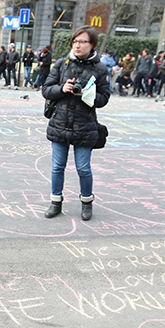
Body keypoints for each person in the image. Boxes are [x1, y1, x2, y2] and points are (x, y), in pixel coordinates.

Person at [42, 26, 111, 221]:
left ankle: (87, 203)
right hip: (60, 123)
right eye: (75, 41)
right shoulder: (62, 65)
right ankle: (56, 202)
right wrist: (62, 88)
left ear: (92, 45)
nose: (78, 45)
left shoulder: (100, 68)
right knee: (57, 167)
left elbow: (104, 98)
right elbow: (46, 89)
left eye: (83, 42)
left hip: (85, 125)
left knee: (83, 168)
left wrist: (86, 95)